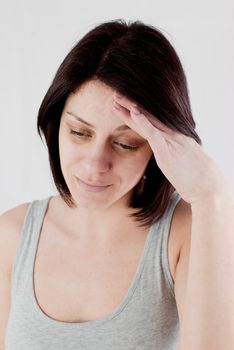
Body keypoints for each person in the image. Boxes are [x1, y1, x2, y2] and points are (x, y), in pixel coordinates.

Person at [1, 19, 234, 350]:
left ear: (158, 147)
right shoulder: (11, 235)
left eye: (126, 144)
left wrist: (213, 195)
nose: (95, 164)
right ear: (55, 126)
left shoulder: (185, 232)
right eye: (79, 133)